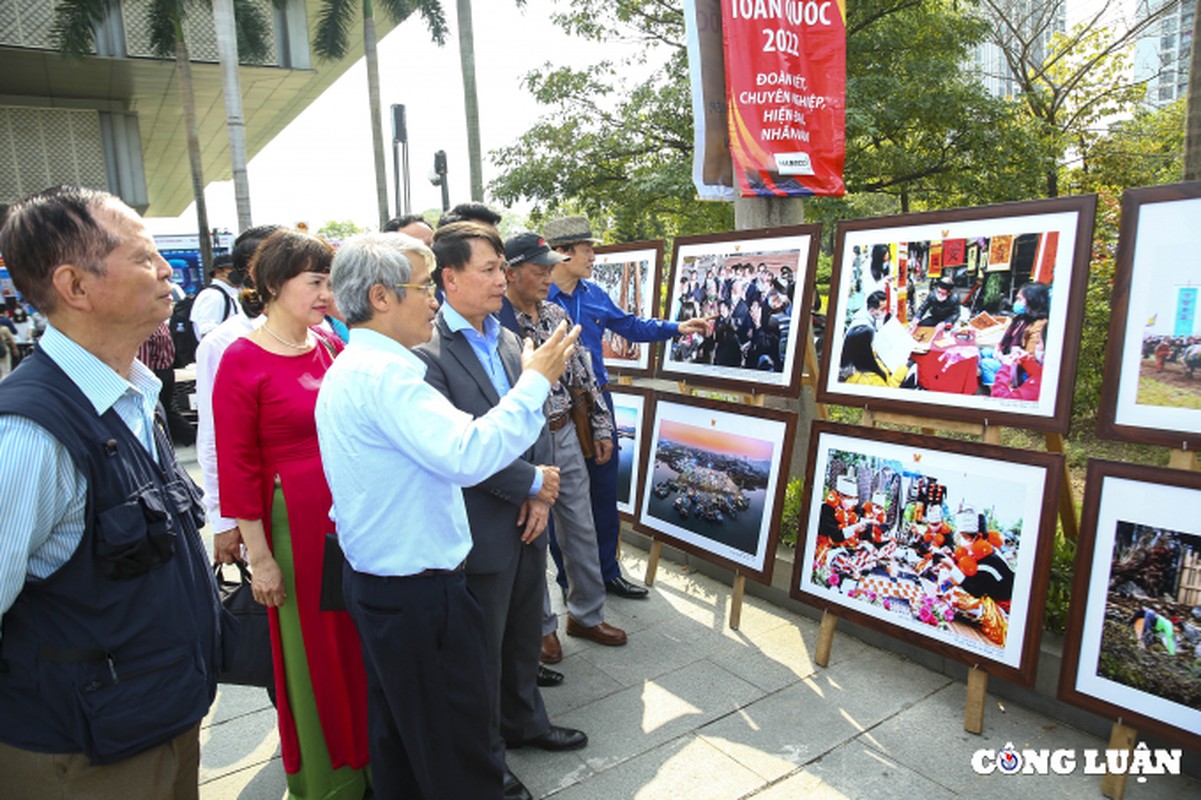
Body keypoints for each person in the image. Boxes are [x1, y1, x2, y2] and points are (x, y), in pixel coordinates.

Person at [315, 232, 579, 799]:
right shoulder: (387, 377)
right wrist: (536, 381)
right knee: (454, 746)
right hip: (417, 594)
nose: (434, 299)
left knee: (404, 739)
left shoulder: (359, 367)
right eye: (423, 286)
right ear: (382, 297)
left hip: (385, 583)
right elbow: (469, 453)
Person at [0, 186, 226, 797]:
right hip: (83, 753)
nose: (166, 274)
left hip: (160, 718)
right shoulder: (28, 432)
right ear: (75, 286)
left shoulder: (132, 395)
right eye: (143, 257)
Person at [414, 222, 588, 794]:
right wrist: (529, 487)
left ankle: (524, 721)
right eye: (488, 269)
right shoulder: (427, 353)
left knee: (519, 634)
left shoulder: (510, 339)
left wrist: (541, 490)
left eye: (501, 268)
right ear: (450, 278)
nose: (501, 278)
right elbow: (459, 446)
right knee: (481, 650)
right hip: (481, 518)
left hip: (526, 513)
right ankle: (486, 758)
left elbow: (530, 418)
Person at [213, 230, 369, 799]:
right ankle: (333, 779)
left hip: (346, 515)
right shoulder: (240, 358)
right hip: (293, 524)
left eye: (329, 281)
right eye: (315, 281)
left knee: (354, 640)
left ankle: (370, 759)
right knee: (314, 653)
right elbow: (236, 466)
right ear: (274, 285)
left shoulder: (329, 344)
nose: (326, 293)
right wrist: (261, 560)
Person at [545, 215, 710, 598]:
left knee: (604, 492)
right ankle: (571, 579)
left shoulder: (594, 294)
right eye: (588, 249)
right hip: (554, 409)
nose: (594, 256)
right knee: (561, 496)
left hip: (598, 403)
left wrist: (677, 328)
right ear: (564, 253)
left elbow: (632, 326)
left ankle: (608, 572)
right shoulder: (534, 300)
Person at [498, 232, 628, 675]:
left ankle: (587, 615)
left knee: (581, 526)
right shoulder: (494, 321)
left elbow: (583, 373)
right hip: (521, 442)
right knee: (530, 535)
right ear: (510, 273)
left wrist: (601, 426)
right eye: (538, 269)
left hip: (565, 432)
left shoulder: (555, 311)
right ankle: (540, 628)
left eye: (550, 268)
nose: (547, 277)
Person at [197, 224, 281, 568]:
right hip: (264, 507)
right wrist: (224, 521)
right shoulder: (222, 343)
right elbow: (214, 437)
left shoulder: (319, 334)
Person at [190, 252, 244, 340]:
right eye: (232, 269)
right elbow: (207, 333)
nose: (238, 273)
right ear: (218, 272)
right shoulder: (213, 296)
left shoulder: (229, 294)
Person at [841, 325, 906, 386]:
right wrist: (902, 369)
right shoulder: (869, 380)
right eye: (873, 342)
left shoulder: (860, 362)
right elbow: (888, 392)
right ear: (867, 348)